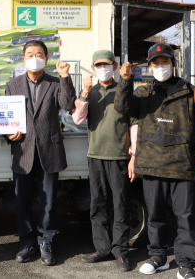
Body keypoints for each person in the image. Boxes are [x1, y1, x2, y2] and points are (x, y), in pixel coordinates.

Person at [115, 43, 195, 279]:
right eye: (155, 63)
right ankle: (158, 256)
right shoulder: (143, 92)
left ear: (172, 64)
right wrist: (125, 81)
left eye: (164, 62)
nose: (160, 67)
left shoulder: (190, 92)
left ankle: (186, 263)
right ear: (149, 66)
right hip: (151, 164)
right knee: (155, 215)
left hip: (183, 166)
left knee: (186, 216)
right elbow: (122, 107)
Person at [5, 40, 76, 267]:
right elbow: (5, 117)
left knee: (48, 202)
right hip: (23, 151)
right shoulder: (12, 85)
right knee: (22, 201)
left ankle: (46, 241)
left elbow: (67, 105)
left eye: (39, 54)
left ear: (46, 59)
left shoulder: (55, 83)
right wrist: (8, 134)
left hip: (49, 149)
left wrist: (65, 76)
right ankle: (26, 243)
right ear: (23, 58)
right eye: (29, 54)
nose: (34, 57)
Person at [72, 50, 135, 272]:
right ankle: (102, 248)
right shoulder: (90, 92)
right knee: (97, 203)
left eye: (106, 64)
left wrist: (133, 155)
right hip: (95, 155)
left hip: (118, 156)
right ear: (93, 68)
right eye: (98, 65)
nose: (102, 69)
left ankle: (120, 251)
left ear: (115, 66)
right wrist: (84, 92)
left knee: (120, 204)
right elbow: (78, 120)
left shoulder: (124, 89)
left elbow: (133, 124)